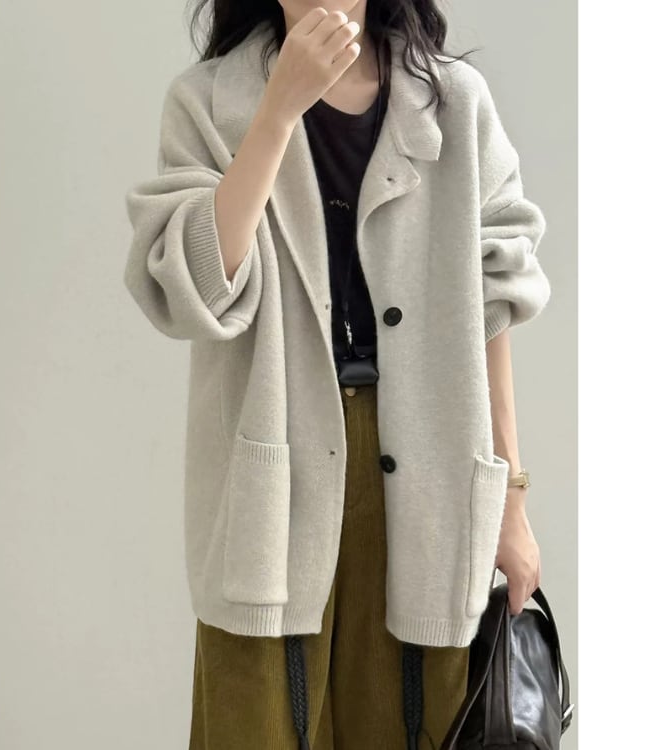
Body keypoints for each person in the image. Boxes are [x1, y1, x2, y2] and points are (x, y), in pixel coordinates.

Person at [123, 1, 551, 748]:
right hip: (272, 475)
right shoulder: (207, 100)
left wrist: (511, 499)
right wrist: (276, 111)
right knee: (258, 715)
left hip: (432, 468)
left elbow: (494, 306)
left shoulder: (454, 102)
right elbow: (196, 291)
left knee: (419, 712)